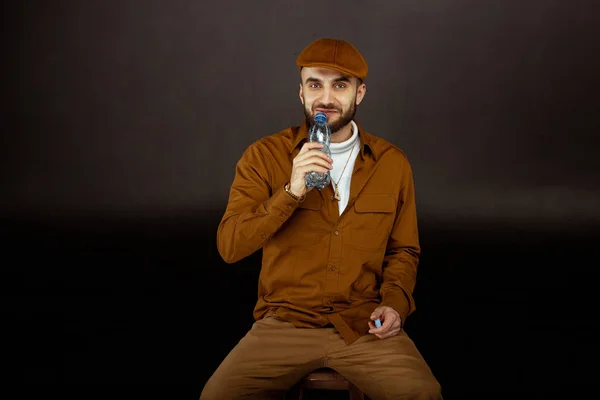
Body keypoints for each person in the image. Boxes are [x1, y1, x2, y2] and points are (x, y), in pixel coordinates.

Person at [201, 38, 442, 400]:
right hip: (285, 324)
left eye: (339, 85)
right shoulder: (264, 156)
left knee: (424, 394)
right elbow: (230, 247)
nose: (326, 98)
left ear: (359, 93)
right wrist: (292, 190)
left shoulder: (393, 163)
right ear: (301, 92)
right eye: (315, 84)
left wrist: (395, 304)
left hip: (363, 326)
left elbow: (403, 250)